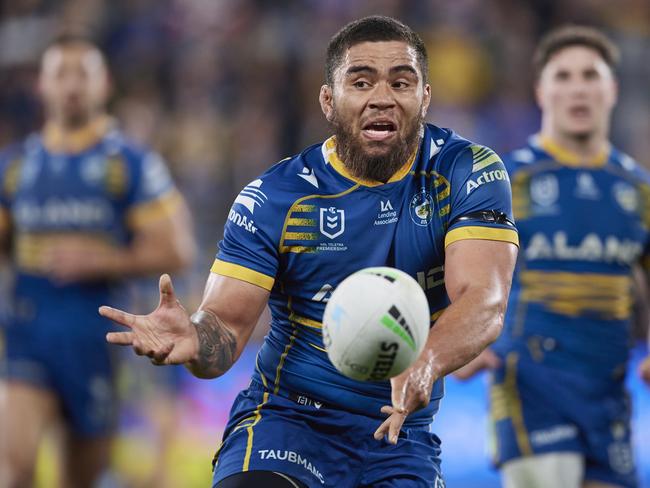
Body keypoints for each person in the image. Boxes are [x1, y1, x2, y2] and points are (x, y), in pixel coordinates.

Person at [100, 16, 519, 488]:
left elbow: (484, 299)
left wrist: (427, 360)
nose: (382, 96)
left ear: (424, 97)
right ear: (327, 100)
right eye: (361, 81)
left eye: (401, 82)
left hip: (400, 435)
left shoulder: (466, 171)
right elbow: (227, 327)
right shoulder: (275, 198)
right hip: (289, 423)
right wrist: (197, 340)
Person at [454, 25, 650, 488]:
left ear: (612, 89)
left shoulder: (637, 191)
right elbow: (452, 266)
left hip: (607, 392)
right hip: (528, 382)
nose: (577, 88)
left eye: (590, 75)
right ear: (541, 91)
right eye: (563, 76)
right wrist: (457, 341)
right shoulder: (505, 182)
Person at [0, 36, 195, 487]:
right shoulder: (15, 167)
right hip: (28, 333)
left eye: (81, 74)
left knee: (80, 479)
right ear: (41, 87)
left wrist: (105, 259)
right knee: (15, 467)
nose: (71, 85)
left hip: (97, 339)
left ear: (103, 84)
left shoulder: (129, 164)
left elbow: (178, 249)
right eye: (59, 74)